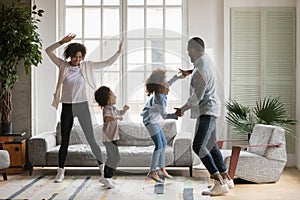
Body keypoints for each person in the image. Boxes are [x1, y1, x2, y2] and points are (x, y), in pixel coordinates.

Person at [45, 33, 123, 183]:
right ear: (70, 56)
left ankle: (101, 169)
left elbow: (107, 63)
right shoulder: (63, 65)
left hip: (82, 106)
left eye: (80, 57)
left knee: (91, 139)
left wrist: (118, 52)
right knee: (65, 140)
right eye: (75, 57)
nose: (78, 60)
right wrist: (61, 41)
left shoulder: (87, 66)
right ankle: (60, 171)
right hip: (67, 106)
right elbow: (48, 51)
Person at [174, 37, 233, 196]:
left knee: (199, 146)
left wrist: (181, 109)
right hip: (210, 108)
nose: (188, 54)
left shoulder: (201, 70)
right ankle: (226, 178)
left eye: (189, 51)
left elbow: (195, 99)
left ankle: (219, 182)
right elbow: (200, 71)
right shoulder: (205, 61)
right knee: (211, 144)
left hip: (207, 109)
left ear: (194, 50)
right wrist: (189, 71)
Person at [141, 68, 188, 183]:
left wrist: (179, 76)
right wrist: (176, 115)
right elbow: (165, 116)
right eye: (165, 85)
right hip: (150, 121)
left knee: (164, 144)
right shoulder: (159, 99)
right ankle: (153, 171)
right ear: (159, 88)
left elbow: (170, 81)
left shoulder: (162, 89)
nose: (168, 87)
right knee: (159, 145)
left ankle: (162, 169)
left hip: (154, 120)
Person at [94, 86, 129, 189]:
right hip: (108, 139)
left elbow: (120, 113)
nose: (115, 96)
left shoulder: (113, 108)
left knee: (112, 158)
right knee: (115, 158)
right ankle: (107, 177)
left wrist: (125, 110)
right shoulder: (106, 109)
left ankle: (106, 177)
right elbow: (106, 118)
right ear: (108, 99)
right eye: (113, 95)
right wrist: (117, 117)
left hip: (112, 138)